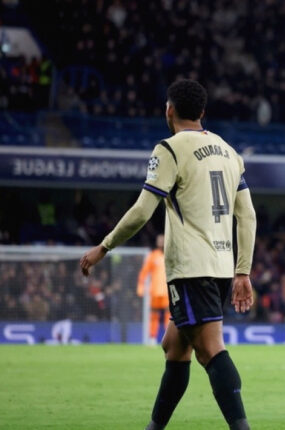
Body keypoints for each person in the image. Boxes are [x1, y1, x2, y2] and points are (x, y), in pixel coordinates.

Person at [79, 79, 257, 430]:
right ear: (202, 112)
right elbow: (247, 216)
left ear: (169, 110)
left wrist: (104, 246)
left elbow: (142, 211)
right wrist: (242, 271)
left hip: (191, 268)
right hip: (221, 268)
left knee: (210, 349)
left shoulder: (170, 149)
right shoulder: (229, 152)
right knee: (174, 347)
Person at [138, 234, 169, 345]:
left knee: (169, 316)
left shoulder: (171, 255)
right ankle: (152, 338)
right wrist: (141, 286)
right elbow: (144, 272)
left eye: (162, 240)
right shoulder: (153, 256)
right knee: (154, 315)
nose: (161, 242)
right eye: (159, 240)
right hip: (155, 291)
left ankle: (169, 338)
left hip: (168, 291)